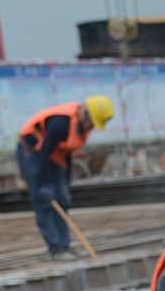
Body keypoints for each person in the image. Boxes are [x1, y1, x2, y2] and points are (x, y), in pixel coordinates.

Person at [16, 96, 113, 260]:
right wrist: (44, 183)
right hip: (32, 155)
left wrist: (66, 177)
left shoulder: (79, 127)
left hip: (52, 157)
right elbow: (43, 154)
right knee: (44, 203)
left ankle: (65, 246)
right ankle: (56, 249)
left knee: (63, 200)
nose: (91, 127)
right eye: (91, 123)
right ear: (85, 114)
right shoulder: (60, 124)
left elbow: (66, 151)